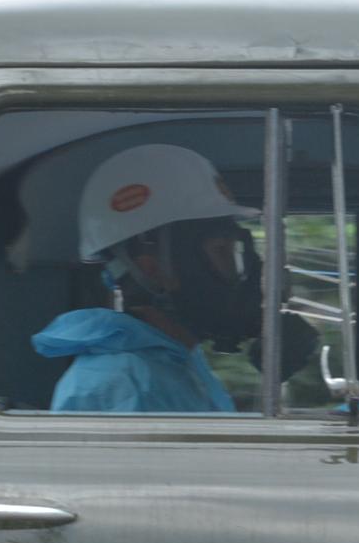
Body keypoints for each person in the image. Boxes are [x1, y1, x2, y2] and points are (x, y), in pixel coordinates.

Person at [34, 143, 262, 414]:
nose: (235, 273)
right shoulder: (117, 385)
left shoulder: (177, 360)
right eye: (221, 252)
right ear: (154, 269)